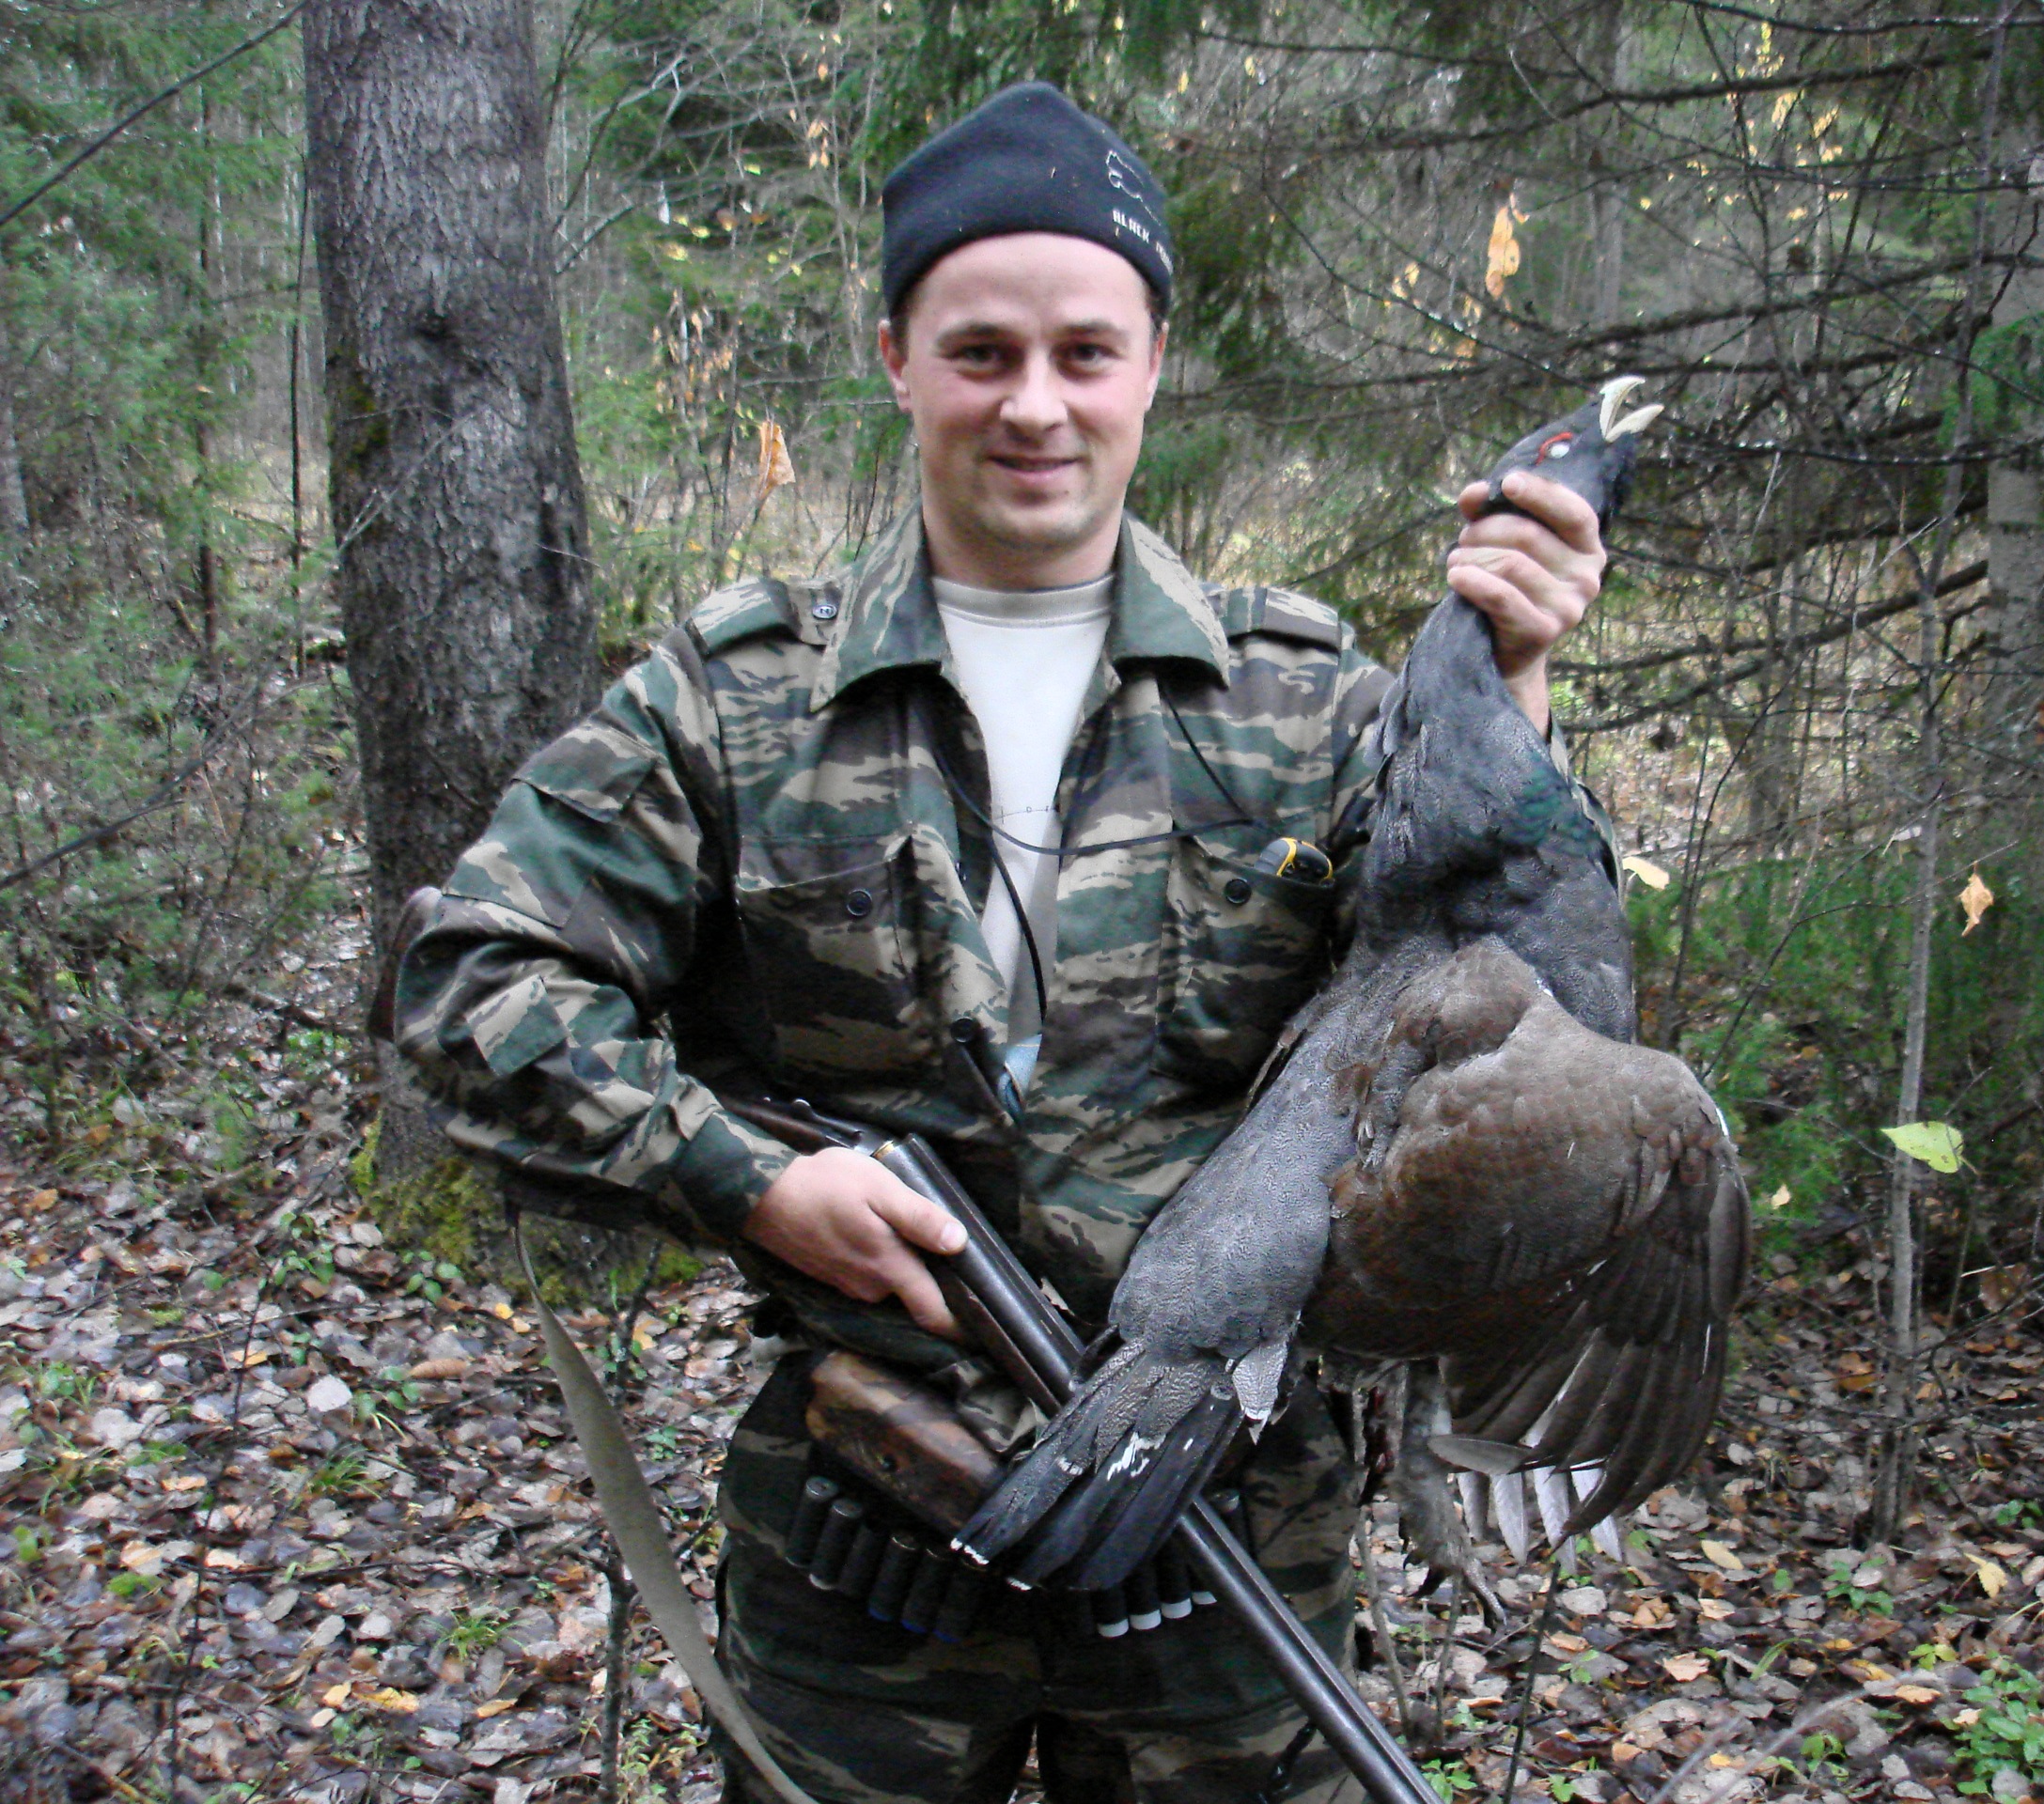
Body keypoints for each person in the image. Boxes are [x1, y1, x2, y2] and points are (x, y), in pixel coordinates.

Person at [393, 81, 1608, 1804]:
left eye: (1084, 352)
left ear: (1153, 365)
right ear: (897, 356)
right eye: (981, 352)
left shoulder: (1315, 705)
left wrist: (1506, 700)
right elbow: (471, 986)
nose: (1035, 404)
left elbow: (1507, 1025)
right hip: (864, 1547)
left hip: (1228, 1557)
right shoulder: (734, 701)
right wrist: (748, 1181)